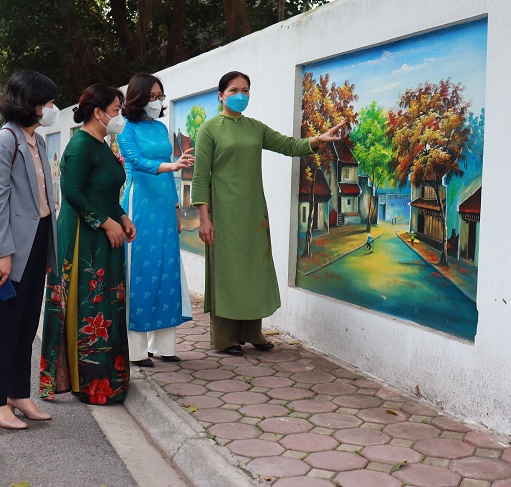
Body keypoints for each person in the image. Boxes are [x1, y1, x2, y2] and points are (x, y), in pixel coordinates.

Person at [191, 71, 347, 356]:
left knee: (254, 269)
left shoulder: (255, 128)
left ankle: (252, 332)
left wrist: (316, 140)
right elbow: (200, 177)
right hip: (223, 212)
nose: (241, 95)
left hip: (253, 211)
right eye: (234, 90)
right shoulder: (210, 129)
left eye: (246, 90)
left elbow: (288, 145)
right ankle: (226, 338)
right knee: (228, 272)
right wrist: (204, 217)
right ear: (221, 95)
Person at [39, 84, 137, 404]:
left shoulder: (103, 144)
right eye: (116, 110)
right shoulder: (80, 146)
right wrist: (105, 222)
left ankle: (110, 376)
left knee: (108, 305)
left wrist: (121, 217)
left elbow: (104, 192)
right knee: (88, 307)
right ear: (98, 113)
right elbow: (73, 193)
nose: (119, 116)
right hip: (84, 238)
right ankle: (88, 383)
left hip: (106, 233)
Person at [0, 71, 60, 429]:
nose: (53, 108)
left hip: (38, 238)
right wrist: (3, 253)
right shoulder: (3, 141)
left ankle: (17, 393)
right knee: (5, 324)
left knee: (27, 324)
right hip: (10, 247)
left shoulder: (37, 141)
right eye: (49, 102)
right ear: (31, 104)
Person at [118, 73, 195, 367]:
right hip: (140, 204)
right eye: (151, 96)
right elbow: (136, 162)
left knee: (167, 269)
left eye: (160, 96)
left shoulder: (162, 128)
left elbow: (169, 173)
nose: (157, 101)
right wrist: (172, 164)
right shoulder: (126, 130)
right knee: (141, 270)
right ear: (137, 97)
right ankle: (136, 349)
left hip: (164, 203)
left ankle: (163, 346)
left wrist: (177, 208)